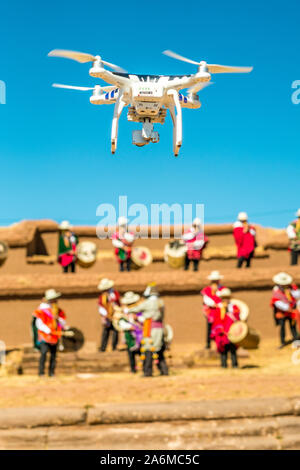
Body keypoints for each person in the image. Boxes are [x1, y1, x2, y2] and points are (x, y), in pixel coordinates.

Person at [128, 283, 169, 377]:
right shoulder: (160, 302)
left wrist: (127, 310)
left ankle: (148, 371)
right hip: (160, 328)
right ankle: (164, 370)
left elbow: (137, 309)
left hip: (150, 329)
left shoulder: (148, 303)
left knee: (148, 349)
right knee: (159, 350)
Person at [33, 289, 68, 377]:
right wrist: (48, 331)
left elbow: (63, 322)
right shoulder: (42, 310)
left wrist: (57, 319)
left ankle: (51, 373)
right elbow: (39, 323)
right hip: (45, 336)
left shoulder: (57, 311)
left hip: (55, 336)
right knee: (44, 353)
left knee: (53, 354)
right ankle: (41, 373)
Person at [210, 288, 240, 368]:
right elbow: (216, 321)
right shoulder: (218, 309)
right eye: (224, 298)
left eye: (227, 298)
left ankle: (235, 365)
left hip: (232, 332)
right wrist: (220, 330)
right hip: (222, 333)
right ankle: (223, 365)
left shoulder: (234, 307)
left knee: (233, 349)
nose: (226, 300)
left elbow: (237, 318)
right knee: (223, 350)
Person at [116, 291, 144, 373]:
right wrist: (129, 327)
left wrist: (138, 319)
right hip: (130, 335)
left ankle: (144, 368)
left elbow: (144, 319)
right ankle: (133, 369)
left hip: (140, 335)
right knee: (131, 353)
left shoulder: (139, 311)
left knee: (142, 352)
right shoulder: (124, 313)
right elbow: (121, 322)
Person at [270, 272, 300, 348]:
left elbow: (297, 294)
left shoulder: (292, 287)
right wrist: (287, 308)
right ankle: (282, 341)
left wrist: (291, 292)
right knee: (282, 326)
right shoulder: (276, 291)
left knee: (293, 326)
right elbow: (277, 302)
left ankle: (296, 339)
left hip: (291, 311)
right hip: (282, 312)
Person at [200, 270, 227, 349]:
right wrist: (213, 304)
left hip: (221, 311)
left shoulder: (223, 289)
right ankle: (208, 344)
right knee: (209, 327)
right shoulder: (207, 290)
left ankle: (221, 343)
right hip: (211, 312)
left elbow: (225, 299)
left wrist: (220, 304)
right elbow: (206, 299)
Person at [98, 278, 120, 352]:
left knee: (115, 331)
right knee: (105, 332)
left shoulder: (115, 294)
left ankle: (114, 347)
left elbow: (117, 302)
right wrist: (105, 315)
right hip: (106, 316)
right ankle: (103, 347)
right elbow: (100, 306)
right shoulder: (102, 296)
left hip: (115, 315)